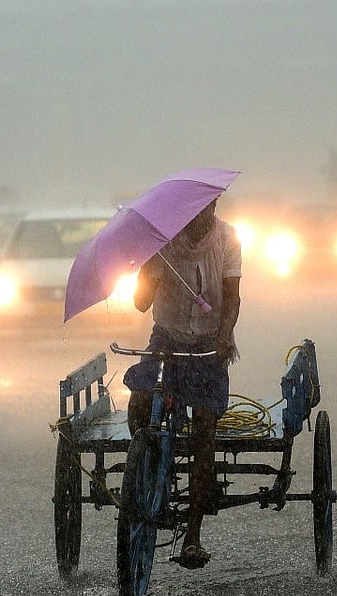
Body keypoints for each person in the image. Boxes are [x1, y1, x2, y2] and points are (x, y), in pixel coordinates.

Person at [123, 198, 242, 569]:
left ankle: (193, 535)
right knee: (142, 400)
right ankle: (148, 462)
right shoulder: (165, 242)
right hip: (168, 338)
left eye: (205, 210)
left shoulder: (228, 238)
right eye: (191, 211)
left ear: (215, 206)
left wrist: (225, 334)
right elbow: (141, 304)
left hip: (210, 344)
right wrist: (146, 268)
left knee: (205, 432)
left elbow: (233, 296)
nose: (198, 217)